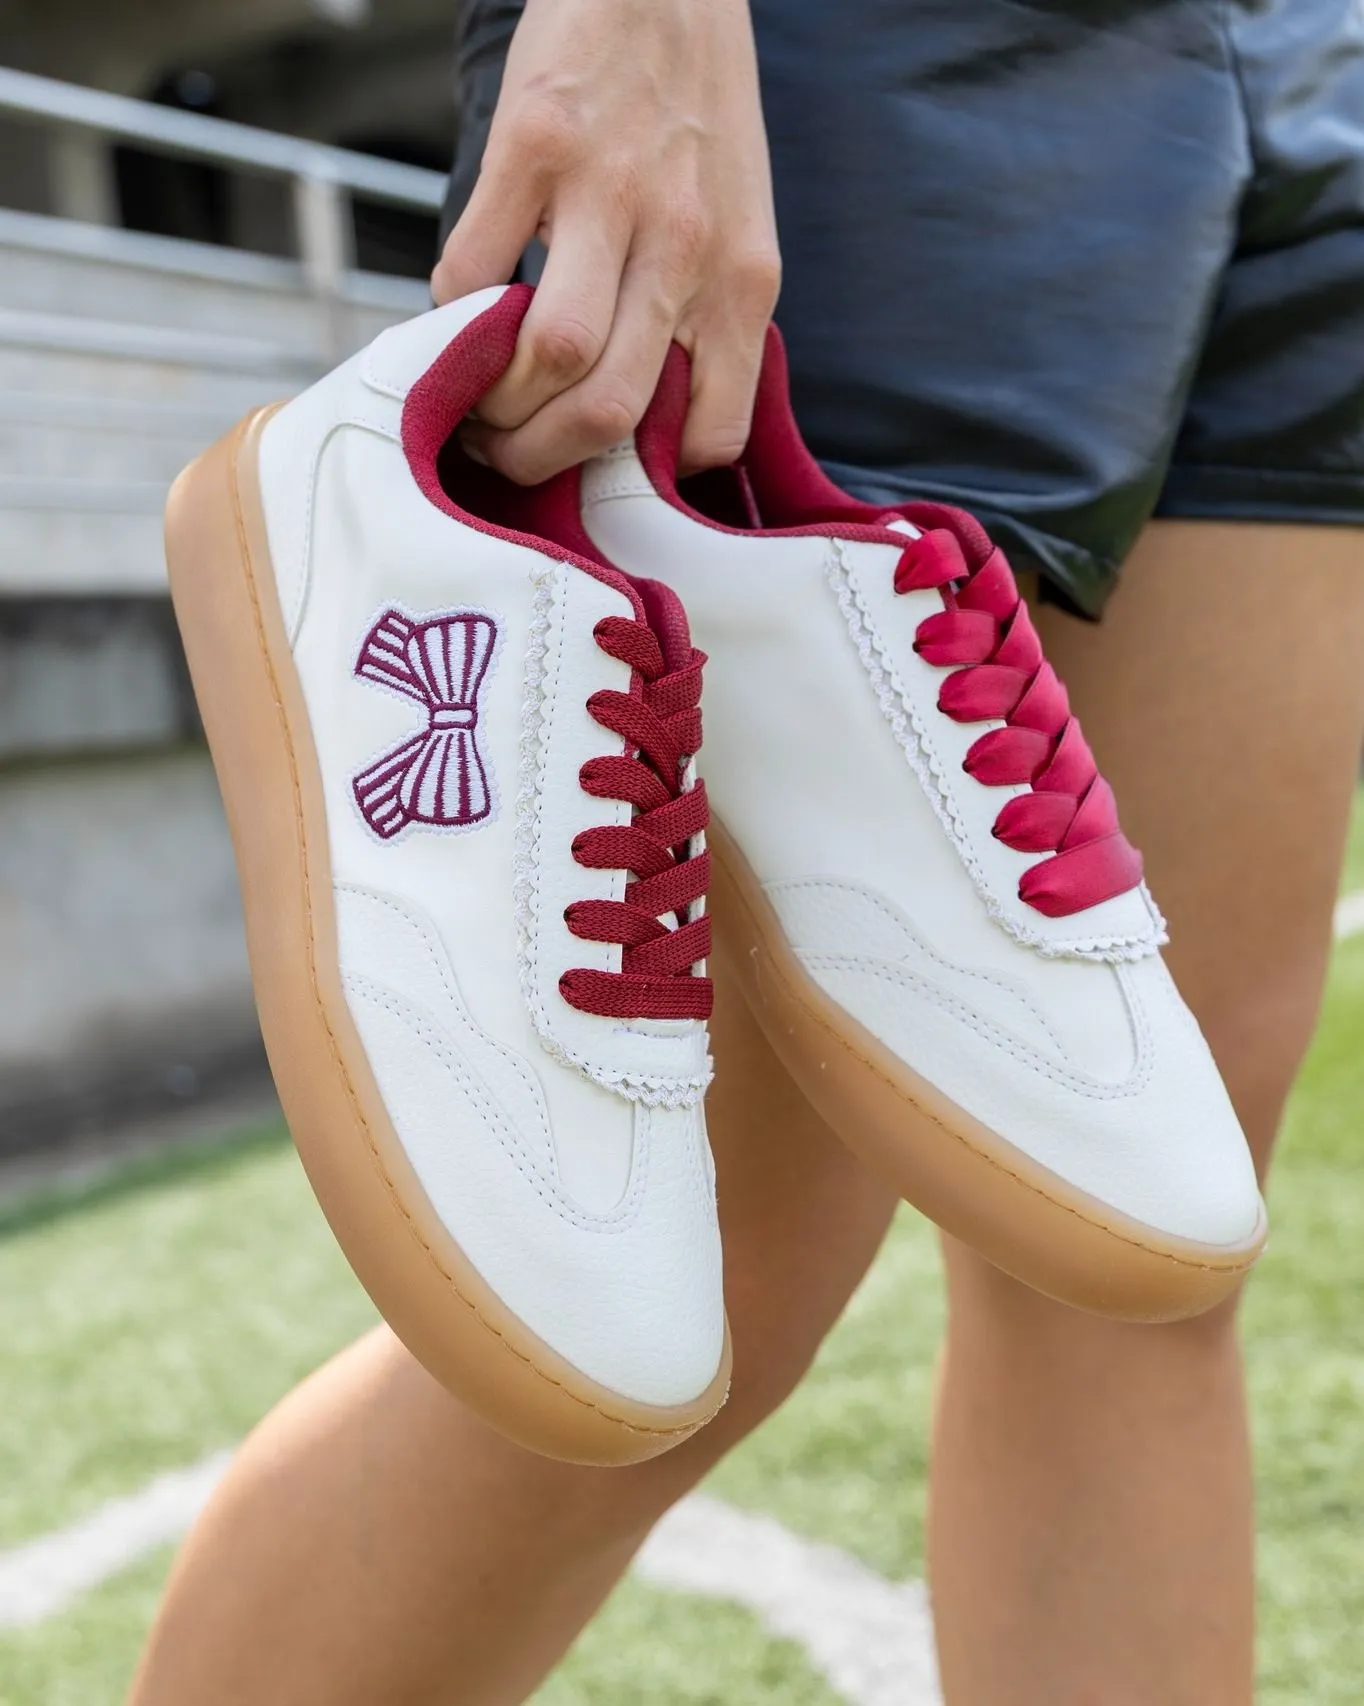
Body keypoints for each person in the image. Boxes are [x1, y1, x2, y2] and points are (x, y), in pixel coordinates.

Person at [127, 1, 1364, 1701]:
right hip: (867, 51)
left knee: (1131, 1253)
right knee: (698, 1278)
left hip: (1308, 69)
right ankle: (368, 531)